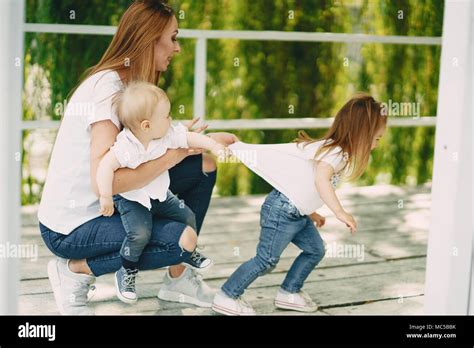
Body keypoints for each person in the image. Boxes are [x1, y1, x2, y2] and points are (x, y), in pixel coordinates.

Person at [38, 0, 238, 315]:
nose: (178, 48)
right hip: (73, 226)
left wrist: (200, 142)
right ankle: (74, 270)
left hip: (115, 206)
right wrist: (176, 152)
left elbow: (144, 147)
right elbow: (107, 180)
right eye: (173, 38)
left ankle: (179, 279)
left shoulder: (130, 84)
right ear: (149, 39)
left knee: (202, 165)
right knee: (179, 242)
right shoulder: (107, 90)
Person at [212, 94, 387, 315]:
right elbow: (321, 180)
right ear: (362, 132)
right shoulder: (336, 153)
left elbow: (303, 182)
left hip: (297, 213)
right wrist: (339, 212)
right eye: (376, 138)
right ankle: (227, 295)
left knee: (315, 250)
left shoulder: (334, 151)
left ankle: (289, 292)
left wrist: (312, 212)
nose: (376, 144)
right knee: (266, 260)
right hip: (281, 211)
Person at [96, 81, 229, 303]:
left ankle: (189, 251)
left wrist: (213, 146)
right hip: (133, 199)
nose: (171, 120)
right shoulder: (126, 146)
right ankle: (126, 271)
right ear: (146, 125)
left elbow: (189, 138)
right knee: (140, 233)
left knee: (187, 215)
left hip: (159, 193)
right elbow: (105, 167)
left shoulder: (166, 134)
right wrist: (106, 196)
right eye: (166, 116)